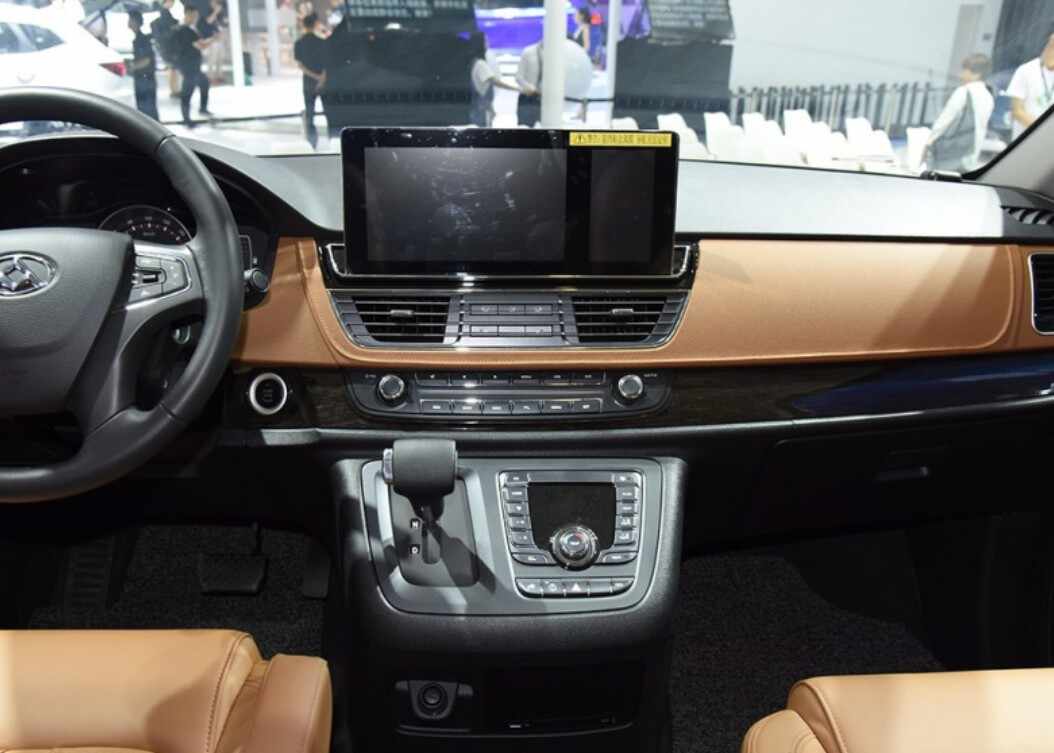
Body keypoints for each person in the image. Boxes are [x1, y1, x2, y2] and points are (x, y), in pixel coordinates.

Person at [925, 53, 993, 172]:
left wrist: (929, 141)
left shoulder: (963, 92)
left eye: (965, 71)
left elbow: (945, 120)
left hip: (952, 152)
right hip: (972, 151)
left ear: (976, 74)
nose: (960, 75)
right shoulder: (988, 96)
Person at [1007, 24, 1054, 140]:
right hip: (1025, 140)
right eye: (1050, 45)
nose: (1050, 49)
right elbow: (1017, 111)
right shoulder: (1026, 70)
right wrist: (1044, 132)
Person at [172, 5, 212, 127]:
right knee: (187, 92)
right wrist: (214, 39)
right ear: (188, 14)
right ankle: (186, 119)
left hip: (192, 66)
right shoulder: (186, 31)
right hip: (189, 67)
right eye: (194, 16)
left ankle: (202, 109)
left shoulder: (185, 29)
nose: (196, 18)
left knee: (204, 83)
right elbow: (201, 46)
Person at [294, 12, 328, 148]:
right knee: (329, 112)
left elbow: (300, 65)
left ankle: (312, 144)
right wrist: (322, 78)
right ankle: (334, 139)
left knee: (310, 114)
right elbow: (327, 64)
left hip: (308, 82)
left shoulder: (299, 43)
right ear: (315, 25)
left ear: (303, 25)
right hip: (324, 83)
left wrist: (314, 77)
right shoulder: (322, 42)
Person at [469, 35, 519, 127]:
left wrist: (491, 109)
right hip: (481, 112)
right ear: (480, 44)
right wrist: (516, 89)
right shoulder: (481, 64)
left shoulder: (476, 62)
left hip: (481, 108)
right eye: (485, 41)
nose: (488, 43)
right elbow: (494, 81)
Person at [128, 9, 160, 121]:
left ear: (135, 22)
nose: (128, 23)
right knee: (146, 112)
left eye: (130, 20)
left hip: (145, 80)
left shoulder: (141, 39)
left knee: (147, 114)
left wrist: (131, 66)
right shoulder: (139, 38)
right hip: (144, 79)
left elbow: (146, 60)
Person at [151, 0, 182, 98]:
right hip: (167, 46)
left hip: (167, 46)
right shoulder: (163, 15)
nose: (172, 3)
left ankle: (174, 89)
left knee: (172, 68)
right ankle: (174, 90)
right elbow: (163, 34)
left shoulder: (165, 14)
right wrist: (174, 28)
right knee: (173, 68)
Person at [515, 40, 542, 127]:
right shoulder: (528, 52)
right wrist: (531, 88)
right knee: (525, 130)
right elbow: (519, 77)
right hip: (528, 98)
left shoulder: (555, 56)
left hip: (547, 99)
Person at [202, 0, 227, 83]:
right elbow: (208, 21)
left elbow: (223, 24)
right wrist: (215, 12)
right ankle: (210, 77)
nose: (215, 4)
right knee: (212, 59)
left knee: (220, 58)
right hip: (212, 39)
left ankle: (219, 76)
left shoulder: (221, 13)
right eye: (214, 2)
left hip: (220, 38)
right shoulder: (208, 11)